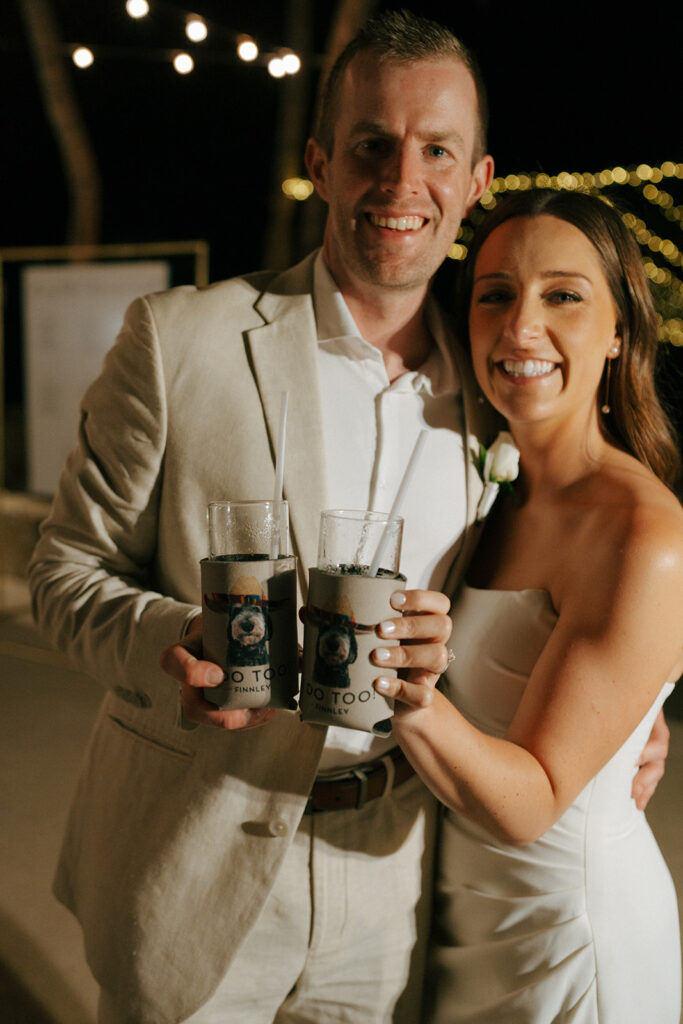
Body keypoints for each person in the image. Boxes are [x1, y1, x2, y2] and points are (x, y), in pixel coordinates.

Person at [27, 12, 668, 1024]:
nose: (399, 177)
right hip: (192, 864)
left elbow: (567, 592)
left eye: (435, 151)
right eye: (370, 144)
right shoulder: (179, 341)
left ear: (474, 180)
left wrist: (627, 713)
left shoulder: (496, 385)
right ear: (322, 162)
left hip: (390, 892)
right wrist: (168, 643)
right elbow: (63, 577)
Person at [380, 188, 682, 1022]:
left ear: (619, 329)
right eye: (495, 294)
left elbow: (533, 801)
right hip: (461, 918)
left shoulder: (643, 532)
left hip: (568, 936)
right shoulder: (490, 492)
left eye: (562, 295)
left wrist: (390, 679)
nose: (519, 328)